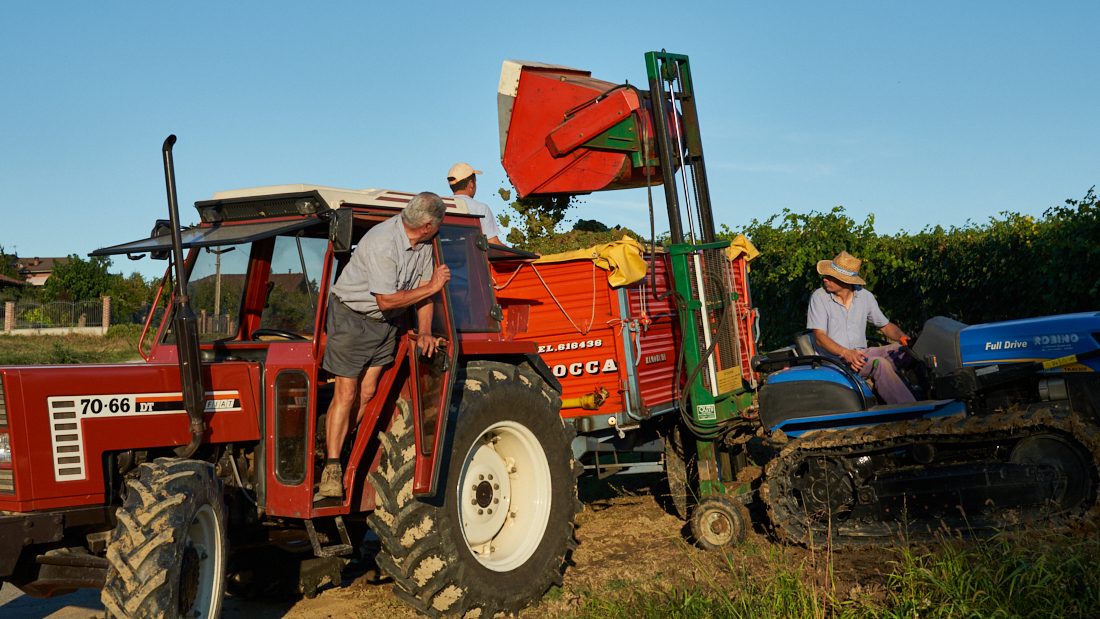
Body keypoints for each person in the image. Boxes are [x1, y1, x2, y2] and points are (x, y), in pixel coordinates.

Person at [318, 192, 452, 499]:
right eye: (440, 224)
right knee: (347, 392)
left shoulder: (425, 245)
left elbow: (423, 294)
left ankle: (342, 447)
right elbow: (386, 298)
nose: (440, 229)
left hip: (386, 322)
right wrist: (432, 285)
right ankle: (332, 467)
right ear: (428, 224)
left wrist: (427, 331)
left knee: (367, 393)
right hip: (352, 318)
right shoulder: (383, 242)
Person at [806, 251, 915, 404]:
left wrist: (902, 337)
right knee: (880, 364)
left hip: (861, 355)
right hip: (835, 360)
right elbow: (819, 337)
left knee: (909, 353)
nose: (824, 279)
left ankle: (932, 396)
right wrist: (846, 353)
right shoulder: (819, 297)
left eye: (829, 276)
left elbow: (884, 325)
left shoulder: (865, 297)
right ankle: (910, 411)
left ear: (844, 281)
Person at [447, 162, 505, 245]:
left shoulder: (440, 207)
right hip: (471, 257)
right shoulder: (480, 209)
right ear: (471, 184)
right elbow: (493, 244)